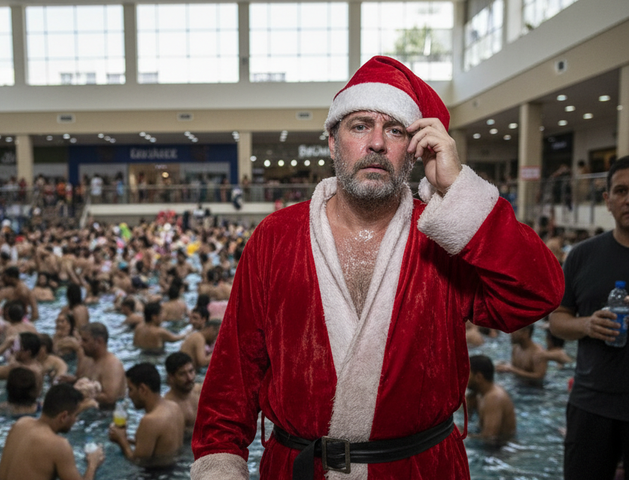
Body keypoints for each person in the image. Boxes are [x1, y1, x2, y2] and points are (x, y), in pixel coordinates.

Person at [190, 56, 563, 479]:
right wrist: (219, 468)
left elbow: (538, 294)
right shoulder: (277, 237)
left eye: (395, 129)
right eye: (360, 125)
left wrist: (458, 190)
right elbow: (233, 376)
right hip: (300, 467)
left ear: (415, 148)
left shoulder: (443, 234)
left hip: (422, 468)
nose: (377, 143)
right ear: (333, 142)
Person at [550, 155, 629, 480]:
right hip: (591, 403)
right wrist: (586, 324)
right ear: (608, 200)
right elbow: (556, 320)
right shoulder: (583, 256)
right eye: (621, 191)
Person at [0, 384, 105, 480]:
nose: (75, 420)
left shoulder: (21, 423)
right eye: (75, 415)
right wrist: (92, 464)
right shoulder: (58, 445)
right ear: (63, 417)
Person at [108, 363, 184, 466]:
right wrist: (129, 440)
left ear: (142, 389)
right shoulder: (175, 407)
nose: (129, 395)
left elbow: (137, 462)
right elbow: (162, 446)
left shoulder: (150, 421)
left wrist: (122, 441)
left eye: (130, 389)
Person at [59, 322, 125, 409]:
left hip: (106, 414)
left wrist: (81, 393)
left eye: (85, 340)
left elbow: (110, 398)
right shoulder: (88, 359)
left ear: (99, 341)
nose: (80, 344)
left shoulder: (112, 365)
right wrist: (73, 381)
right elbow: (82, 381)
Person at [466, 355, 516, 444]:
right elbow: (467, 419)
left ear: (478, 377)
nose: (462, 378)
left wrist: (463, 435)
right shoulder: (478, 394)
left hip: (501, 451)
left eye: (466, 374)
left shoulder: (493, 398)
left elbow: (489, 438)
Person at [0, 333, 44, 399]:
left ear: (27, 353)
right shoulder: (38, 367)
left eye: (16, 346)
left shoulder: (18, 370)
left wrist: (2, 347)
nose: (13, 349)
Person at [164, 352, 202, 437]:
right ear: (171, 377)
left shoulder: (201, 391)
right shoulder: (168, 407)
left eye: (191, 371)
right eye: (182, 374)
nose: (189, 378)